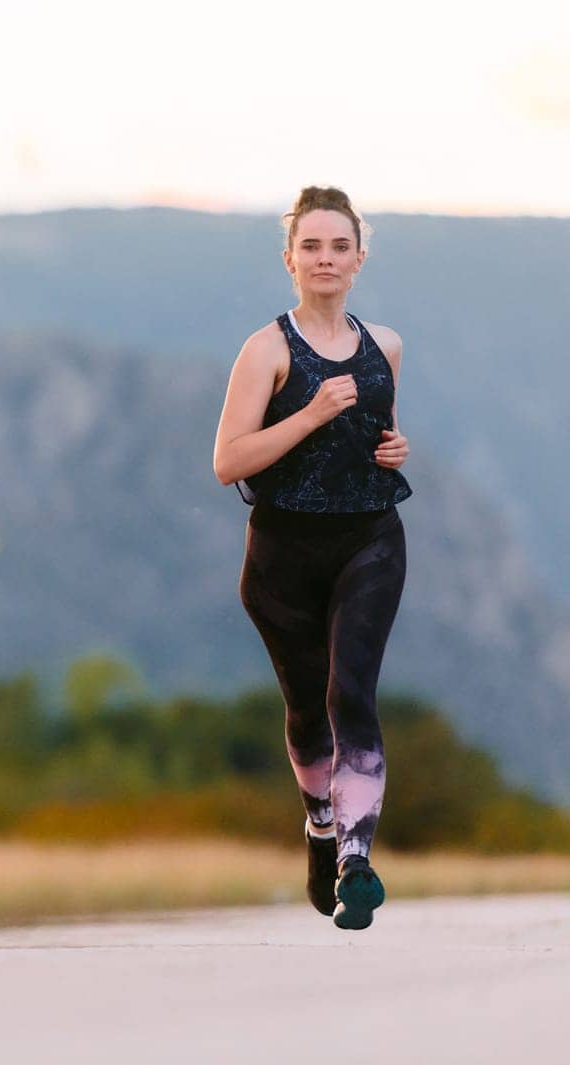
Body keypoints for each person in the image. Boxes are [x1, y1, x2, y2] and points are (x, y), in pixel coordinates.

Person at [211, 185, 412, 930]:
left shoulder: (384, 344)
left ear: (360, 258)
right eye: (311, 246)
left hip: (370, 537)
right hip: (284, 552)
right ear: (289, 259)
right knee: (307, 712)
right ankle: (321, 827)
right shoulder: (265, 350)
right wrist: (311, 411)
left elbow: (380, 437)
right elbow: (229, 461)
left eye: (339, 246)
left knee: (351, 693)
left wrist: (392, 447)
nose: (325, 259)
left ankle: (356, 861)